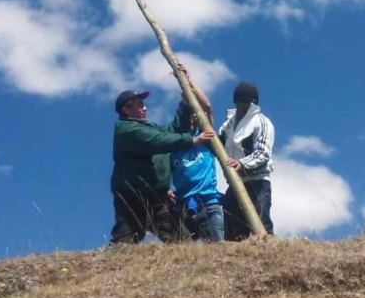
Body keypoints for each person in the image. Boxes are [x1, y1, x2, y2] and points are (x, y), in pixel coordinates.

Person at [110, 89, 214, 245]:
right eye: (140, 105)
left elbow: (172, 131)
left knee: (179, 239)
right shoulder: (125, 129)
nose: (144, 108)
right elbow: (158, 140)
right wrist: (192, 141)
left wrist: (185, 105)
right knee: (125, 241)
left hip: (156, 196)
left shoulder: (148, 128)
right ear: (126, 110)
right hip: (133, 198)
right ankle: (111, 256)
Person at [169, 67, 225, 242]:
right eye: (188, 119)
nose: (191, 122)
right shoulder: (173, 144)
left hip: (208, 203)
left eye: (194, 118)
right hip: (183, 205)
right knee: (184, 253)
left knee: (218, 249)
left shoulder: (205, 137)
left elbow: (207, 107)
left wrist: (188, 81)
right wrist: (166, 189)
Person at [218, 81, 275, 240]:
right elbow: (218, 144)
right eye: (239, 102)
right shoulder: (228, 124)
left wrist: (242, 163)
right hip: (235, 182)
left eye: (246, 103)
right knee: (232, 228)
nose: (241, 106)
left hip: (257, 181)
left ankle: (268, 249)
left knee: (261, 223)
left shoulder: (262, 122)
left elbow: (263, 153)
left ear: (253, 104)